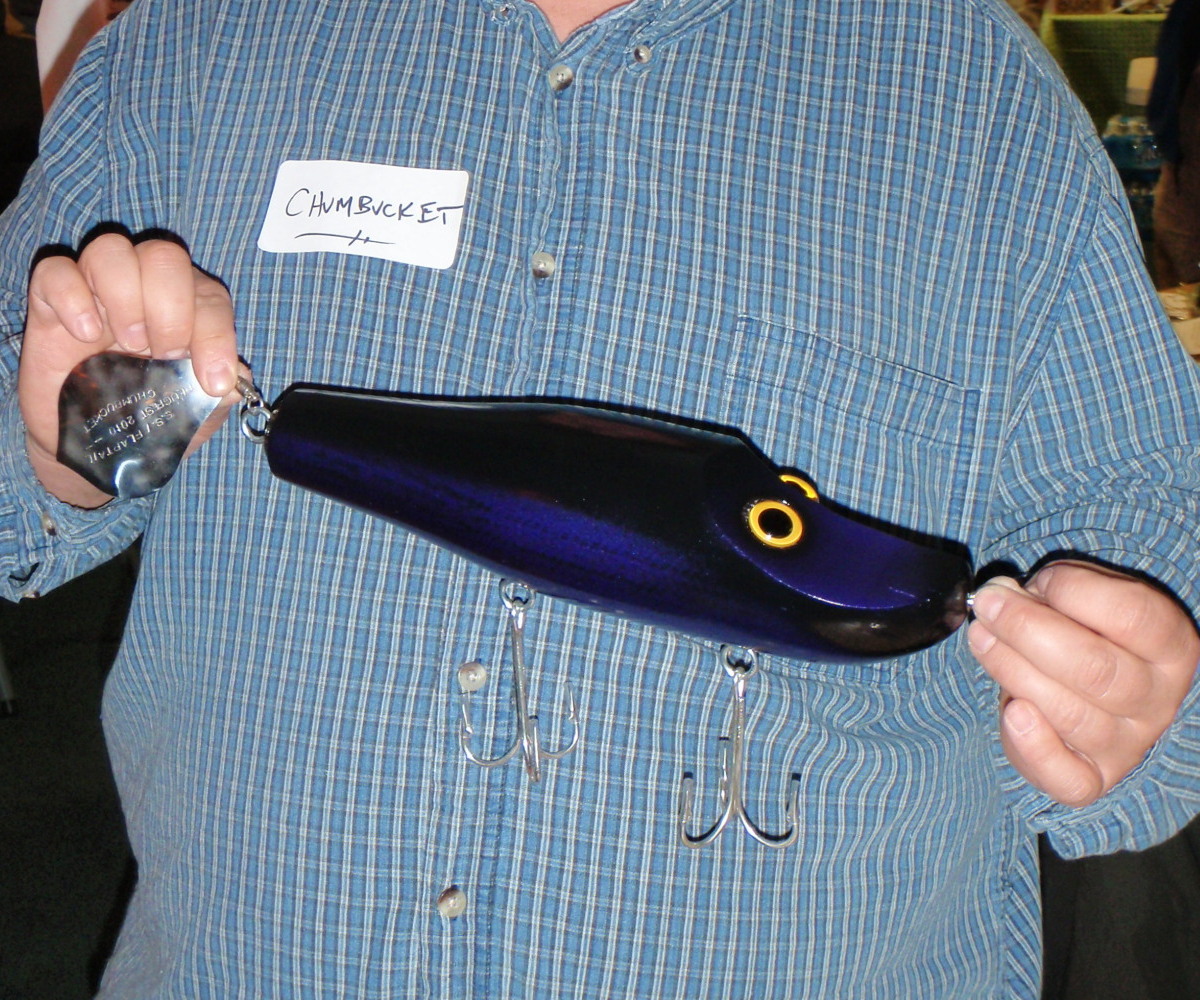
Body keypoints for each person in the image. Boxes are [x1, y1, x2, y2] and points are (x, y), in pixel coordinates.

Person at [2, 0, 1199, 996]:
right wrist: (72, 438)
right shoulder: (197, 45)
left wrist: (1139, 690)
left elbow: (1155, 546)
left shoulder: (983, 105)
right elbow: (31, 480)